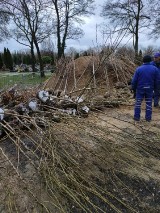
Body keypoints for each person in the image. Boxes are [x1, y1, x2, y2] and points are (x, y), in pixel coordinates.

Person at [131, 55, 158, 122]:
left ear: (143, 61)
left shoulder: (139, 69)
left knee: (138, 103)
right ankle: (148, 119)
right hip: (150, 89)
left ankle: (136, 118)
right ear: (150, 60)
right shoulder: (155, 69)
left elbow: (134, 80)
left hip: (140, 89)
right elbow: (157, 81)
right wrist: (156, 89)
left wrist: (133, 88)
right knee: (149, 103)